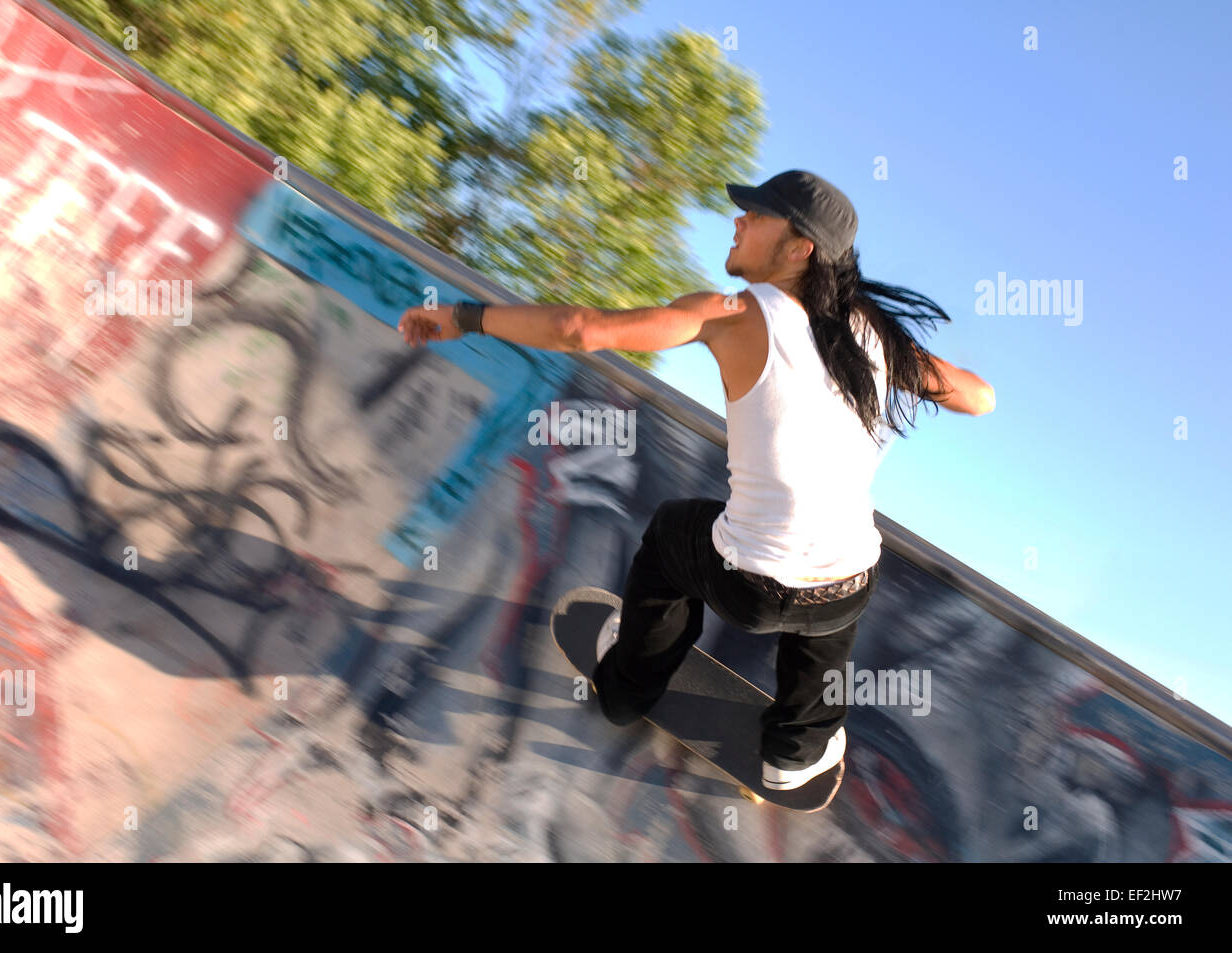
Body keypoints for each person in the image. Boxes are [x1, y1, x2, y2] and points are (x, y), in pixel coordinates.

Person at [398, 170, 995, 789]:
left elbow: (581, 329)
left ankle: (629, 685)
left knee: (673, 531)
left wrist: (465, 317)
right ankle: (796, 750)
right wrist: (896, 351)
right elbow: (979, 398)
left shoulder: (732, 313)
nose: (737, 221)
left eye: (757, 217)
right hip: (845, 587)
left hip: (751, 586)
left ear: (800, 250)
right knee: (835, 586)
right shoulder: (875, 338)